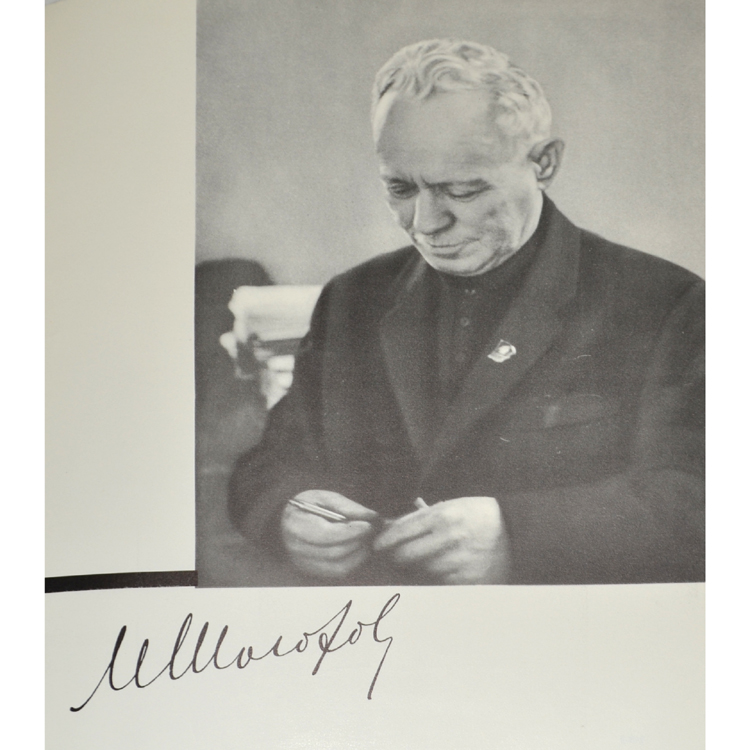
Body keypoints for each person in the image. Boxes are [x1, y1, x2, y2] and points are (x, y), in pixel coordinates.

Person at [228, 39, 704, 586]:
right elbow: (269, 464)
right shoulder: (352, 299)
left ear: (544, 163)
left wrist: (519, 537)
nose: (425, 223)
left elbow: (704, 502)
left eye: (461, 189)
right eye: (400, 188)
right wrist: (286, 514)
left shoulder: (667, 304)